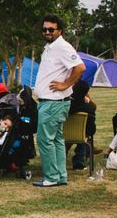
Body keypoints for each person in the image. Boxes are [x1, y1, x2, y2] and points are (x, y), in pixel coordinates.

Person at [33, 14, 85, 187]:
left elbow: (80, 67)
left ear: (59, 31)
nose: (47, 32)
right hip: (51, 102)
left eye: (51, 29)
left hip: (53, 102)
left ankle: (51, 177)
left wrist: (65, 84)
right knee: (56, 139)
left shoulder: (62, 47)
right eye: (44, 29)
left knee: (44, 139)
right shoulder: (50, 47)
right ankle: (60, 176)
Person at [66, 80, 97, 170]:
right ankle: (78, 162)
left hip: (64, 133)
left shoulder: (65, 105)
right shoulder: (88, 108)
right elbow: (92, 129)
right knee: (84, 134)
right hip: (80, 135)